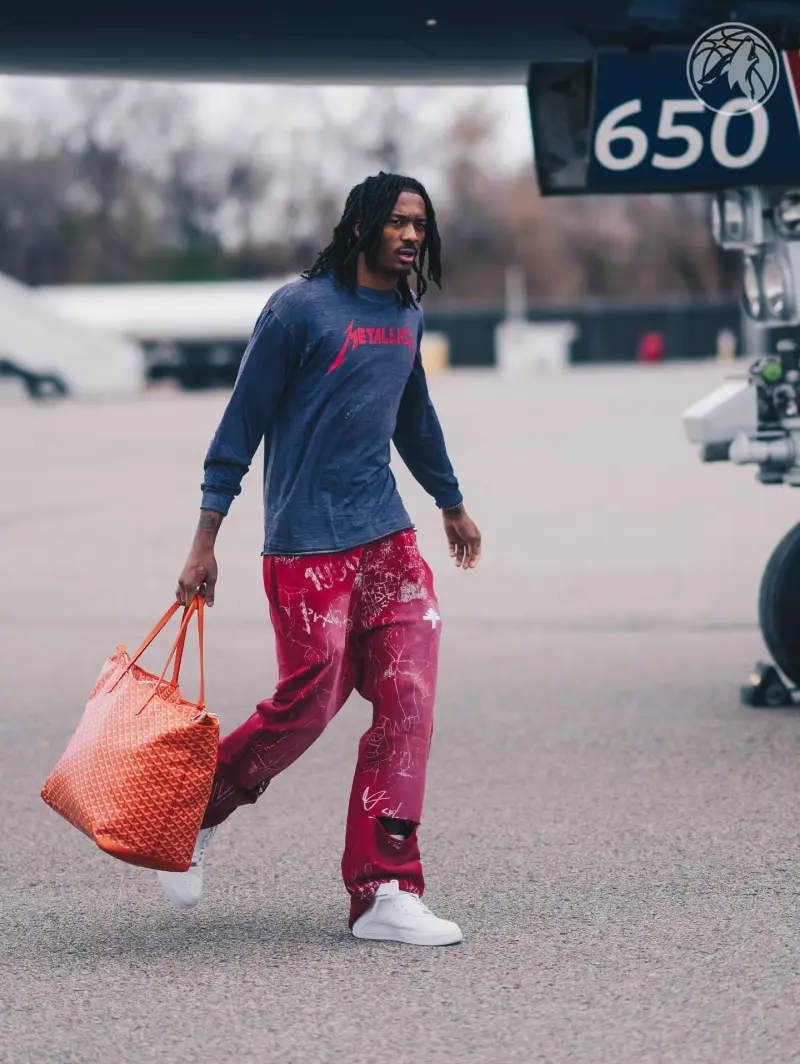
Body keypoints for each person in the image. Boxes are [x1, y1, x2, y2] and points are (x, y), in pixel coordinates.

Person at [157, 171, 482, 946]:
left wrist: (450, 502)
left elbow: (415, 419)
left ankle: (384, 891)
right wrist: (205, 541)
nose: (412, 237)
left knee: (409, 706)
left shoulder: (405, 312)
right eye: (400, 223)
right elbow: (239, 428)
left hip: (389, 540)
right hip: (307, 548)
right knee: (305, 706)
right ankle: (196, 810)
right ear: (363, 225)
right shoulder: (299, 311)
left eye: (422, 227)